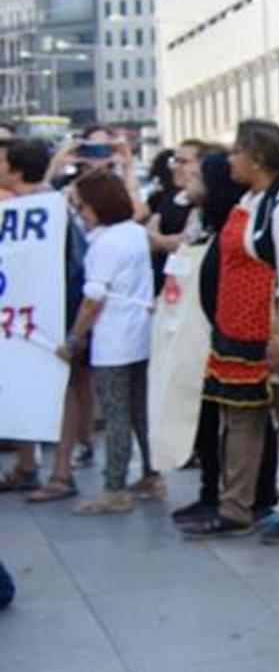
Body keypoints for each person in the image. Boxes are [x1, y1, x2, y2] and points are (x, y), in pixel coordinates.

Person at [183, 120, 279, 544]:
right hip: (238, 332)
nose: (229, 160)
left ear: (257, 158)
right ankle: (234, 507)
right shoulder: (253, 196)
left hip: (272, 331)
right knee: (239, 418)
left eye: (236, 152)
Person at [172, 149, 279, 527]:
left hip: (242, 332)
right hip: (220, 330)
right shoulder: (216, 219)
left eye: (198, 174)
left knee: (249, 419)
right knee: (230, 420)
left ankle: (251, 499)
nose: (186, 177)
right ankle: (221, 495)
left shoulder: (258, 212)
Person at [60, 170, 162, 513]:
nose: (81, 214)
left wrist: (74, 337)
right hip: (142, 333)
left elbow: (93, 299)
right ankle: (152, 472)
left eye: (82, 206)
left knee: (117, 413)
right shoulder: (134, 232)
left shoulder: (103, 245)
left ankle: (114, 487)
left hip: (114, 339)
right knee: (141, 411)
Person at [0, 139, 94, 502]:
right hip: (19, 313)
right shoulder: (21, 206)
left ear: (16, 169)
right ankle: (27, 466)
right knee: (18, 379)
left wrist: (72, 330)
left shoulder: (53, 209)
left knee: (60, 386)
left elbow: (71, 266)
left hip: (52, 315)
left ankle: (61, 473)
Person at [145, 140, 206, 293]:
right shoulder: (170, 197)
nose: (176, 167)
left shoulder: (205, 203)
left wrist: (159, 240)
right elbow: (150, 232)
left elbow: (186, 242)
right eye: (175, 161)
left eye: (184, 162)